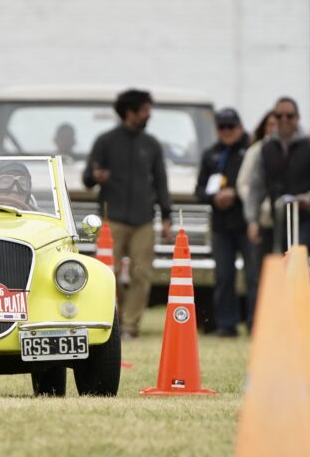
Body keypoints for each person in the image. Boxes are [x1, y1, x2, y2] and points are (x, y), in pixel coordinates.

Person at [82, 88, 173, 339]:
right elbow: (87, 178)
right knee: (107, 272)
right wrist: (96, 176)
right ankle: (115, 318)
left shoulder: (151, 144)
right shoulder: (105, 141)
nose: (148, 115)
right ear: (129, 112)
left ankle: (131, 327)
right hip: (112, 219)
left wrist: (167, 216)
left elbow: (161, 182)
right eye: (144, 110)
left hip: (144, 219)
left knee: (141, 273)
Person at [245, 97, 310, 252]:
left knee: (297, 254)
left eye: (289, 116)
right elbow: (256, 188)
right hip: (279, 218)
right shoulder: (266, 149)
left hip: (307, 217)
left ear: (297, 117)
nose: (284, 120)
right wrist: (252, 220)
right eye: (279, 116)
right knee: (280, 258)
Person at [195, 107, 251, 336]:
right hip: (221, 227)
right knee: (224, 276)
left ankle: (256, 324)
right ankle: (227, 325)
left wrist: (235, 194)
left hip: (248, 224)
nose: (227, 131)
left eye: (231, 126)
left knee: (254, 277)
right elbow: (199, 190)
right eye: (222, 127)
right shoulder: (211, 154)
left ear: (240, 127)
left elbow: (257, 184)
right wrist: (214, 197)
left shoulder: (251, 151)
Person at [236, 110, 277, 315]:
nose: (274, 128)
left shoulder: (289, 150)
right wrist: (257, 205)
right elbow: (244, 184)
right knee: (257, 274)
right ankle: (256, 320)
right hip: (260, 220)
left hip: (282, 220)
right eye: (270, 124)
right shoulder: (256, 151)